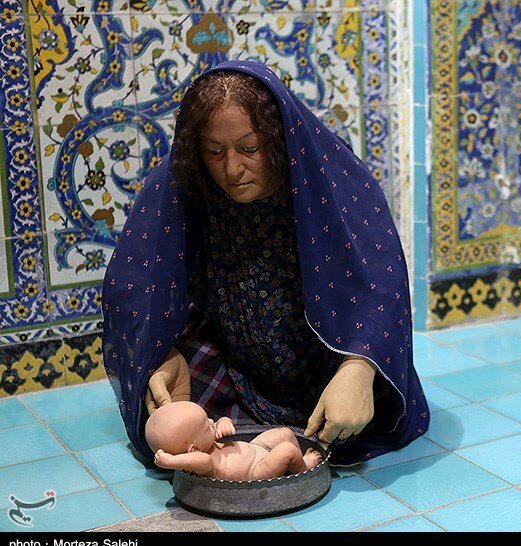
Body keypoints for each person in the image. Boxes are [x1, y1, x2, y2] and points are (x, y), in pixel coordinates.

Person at [102, 60, 429, 467]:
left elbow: (381, 283)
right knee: (179, 433)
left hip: (331, 366)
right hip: (237, 370)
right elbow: (134, 286)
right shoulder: (182, 183)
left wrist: (359, 367)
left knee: (361, 413)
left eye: (250, 149)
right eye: (214, 151)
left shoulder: (329, 176)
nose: (232, 169)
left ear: (279, 139)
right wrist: (163, 355)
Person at [145, 401, 323, 481]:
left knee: (283, 433)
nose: (211, 422)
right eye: (207, 427)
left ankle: (295, 462)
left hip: (255, 448)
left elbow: (221, 424)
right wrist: (170, 461)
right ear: (194, 449)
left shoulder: (206, 443)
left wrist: (224, 422)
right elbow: (201, 460)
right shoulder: (206, 464)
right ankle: (303, 468)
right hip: (256, 470)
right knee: (286, 449)